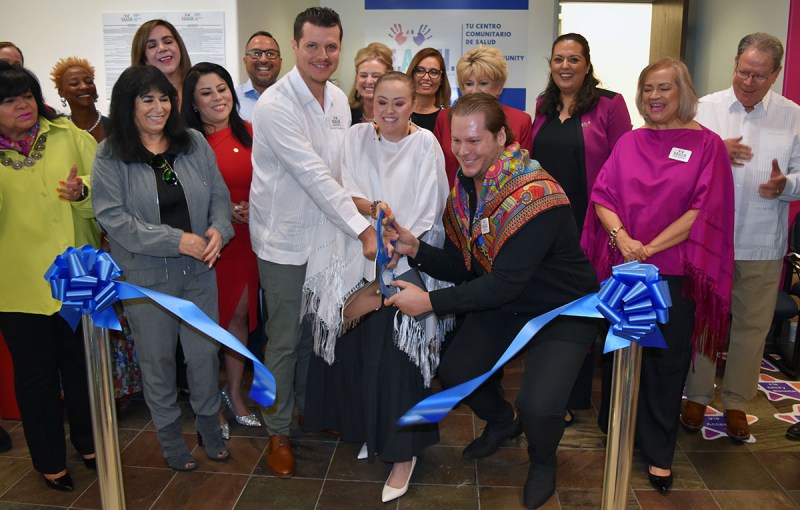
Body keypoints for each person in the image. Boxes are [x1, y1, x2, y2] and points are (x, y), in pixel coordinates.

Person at [383, 93, 599, 509]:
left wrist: (429, 302)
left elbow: (501, 285)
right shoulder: (465, 189)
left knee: (539, 406)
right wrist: (417, 250)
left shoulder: (535, 193)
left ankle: (543, 460)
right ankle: (503, 422)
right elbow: (465, 266)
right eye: (457, 141)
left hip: (562, 309)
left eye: (474, 141)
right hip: (509, 302)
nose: (463, 151)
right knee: (457, 370)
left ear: (501, 137)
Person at [582, 57, 734, 493]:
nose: (654, 96)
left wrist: (648, 248)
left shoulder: (708, 146)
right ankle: (620, 431)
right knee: (621, 356)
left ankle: (658, 451)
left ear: (683, 92)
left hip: (672, 273)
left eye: (663, 88)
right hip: (626, 269)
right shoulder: (629, 141)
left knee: (666, 364)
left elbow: (703, 211)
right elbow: (602, 196)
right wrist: (624, 240)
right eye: (647, 88)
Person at [303, 71, 450, 502]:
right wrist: (373, 225)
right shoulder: (355, 137)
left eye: (398, 103)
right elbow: (343, 191)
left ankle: (404, 454)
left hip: (406, 259)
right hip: (358, 253)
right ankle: (375, 431)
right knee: (361, 353)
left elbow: (429, 207)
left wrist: (397, 246)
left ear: (413, 104)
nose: (388, 111)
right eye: (381, 102)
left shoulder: (425, 144)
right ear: (370, 102)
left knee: (398, 360)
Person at [249, 7, 374, 478]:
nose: (323, 55)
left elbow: (339, 173)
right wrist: (361, 228)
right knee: (282, 339)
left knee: (314, 331)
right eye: (313, 46)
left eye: (331, 46)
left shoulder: (338, 99)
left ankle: (305, 410)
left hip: (327, 237)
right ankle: (276, 430)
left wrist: (365, 207)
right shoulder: (275, 105)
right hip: (284, 241)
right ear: (295, 47)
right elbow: (313, 175)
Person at [91, 65, 234, 472]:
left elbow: (219, 195)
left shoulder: (192, 142)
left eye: (164, 98)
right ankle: (172, 442)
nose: (159, 107)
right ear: (128, 105)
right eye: (147, 99)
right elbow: (114, 219)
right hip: (146, 279)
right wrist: (177, 241)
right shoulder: (111, 154)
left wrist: (219, 229)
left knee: (204, 358)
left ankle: (209, 431)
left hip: (199, 274)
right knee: (158, 364)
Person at [682, 33, 800, 442]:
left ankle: (736, 402)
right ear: (734, 65)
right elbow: (678, 167)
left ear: (775, 75)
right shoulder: (703, 109)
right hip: (708, 240)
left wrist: (787, 184)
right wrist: (714, 153)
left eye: (759, 76)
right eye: (744, 72)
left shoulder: (793, 115)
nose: (749, 82)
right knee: (704, 321)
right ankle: (697, 395)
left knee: (751, 327)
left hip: (762, 239)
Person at [0, 62, 99, 492]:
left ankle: (90, 442)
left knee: (82, 367)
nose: (22, 105)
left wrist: (83, 192)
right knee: (35, 376)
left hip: (77, 275)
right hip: (17, 285)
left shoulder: (69, 136)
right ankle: (49, 460)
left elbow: (107, 194)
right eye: (8, 100)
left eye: (27, 95)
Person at [531, 33, 632, 425]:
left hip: (590, 226)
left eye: (574, 59)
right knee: (551, 309)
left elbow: (624, 167)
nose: (565, 66)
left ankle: (573, 397)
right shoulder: (543, 105)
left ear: (587, 65)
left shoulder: (609, 104)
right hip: (545, 226)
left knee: (582, 311)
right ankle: (549, 393)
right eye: (559, 59)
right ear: (551, 63)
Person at [182, 62, 262, 435]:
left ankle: (234, 392)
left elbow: (271, 183)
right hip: (206, 244)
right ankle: (208, 401)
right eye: (206, 92)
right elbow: (179, 195)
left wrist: (256, 209)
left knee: (239, 318)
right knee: (207, 324)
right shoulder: (186, 143)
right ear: (193, 103)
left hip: (245, 242)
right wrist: (219, 211)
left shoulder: (252, 133)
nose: (218, 98)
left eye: (222, 89)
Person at [433, 46, 532, 186]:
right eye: (469, 84)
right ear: (462, 87)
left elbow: (523, 172)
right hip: (454, 197)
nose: (475, 91)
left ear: (499, 87)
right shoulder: (444, 118)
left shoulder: (521, 120)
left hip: (507, 198)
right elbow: (437, 169)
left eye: (483, 83)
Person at [131, 20, 192, 107]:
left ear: (179, 46)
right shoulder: (134, 100)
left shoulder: (199, 88)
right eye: (152, 46)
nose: (162, 48)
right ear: (143, 58)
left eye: (168, 42)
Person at [50, 57, 107, 144]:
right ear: (61, 92)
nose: (84, 86)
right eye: (74, 83)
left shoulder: (116, 128)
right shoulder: (58, 132)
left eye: (89, 82)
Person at [236, 31, 282, 121]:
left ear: (280, 62)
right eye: (256, 53)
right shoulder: (232, 100)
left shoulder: (295, 98)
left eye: (270, 53)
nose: (263, 59)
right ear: (245, 61)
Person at [406, 48, 451, 131]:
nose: (426, 77)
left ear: (441, 79)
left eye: (433, 72)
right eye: (420, 70)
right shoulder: (399, 114)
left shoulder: (450, 118)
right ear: (412, 74)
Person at [348, 42, 393, 125]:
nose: (369, 81)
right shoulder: (346, 113)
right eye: (363, 75)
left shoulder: (399, 115)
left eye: (376, 76)